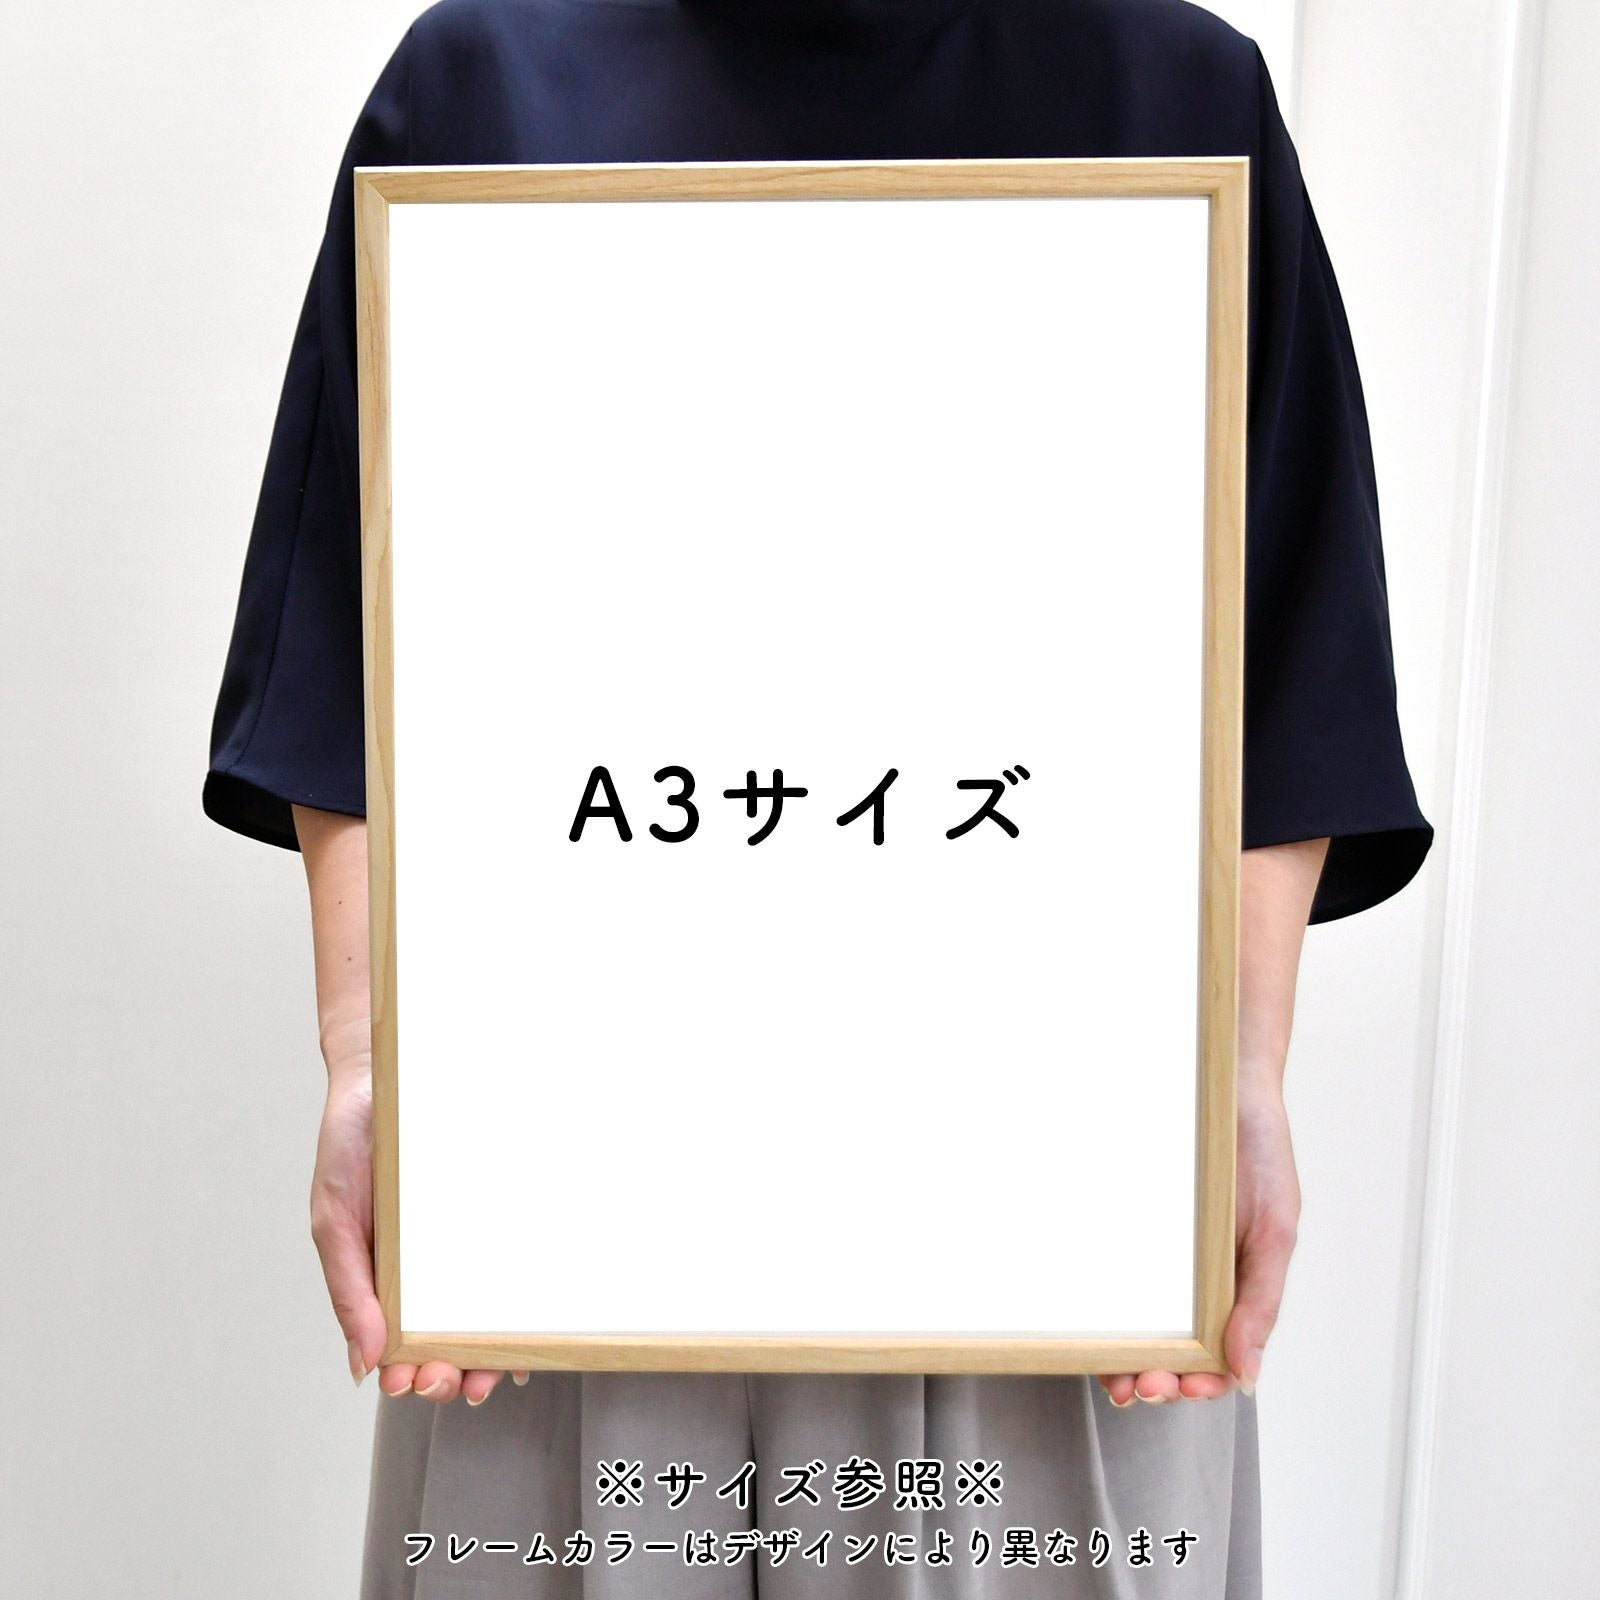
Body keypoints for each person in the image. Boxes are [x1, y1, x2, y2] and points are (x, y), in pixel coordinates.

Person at [203, 2, 1434, 1594]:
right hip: (577, 1202)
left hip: (1058, 1210)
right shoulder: (486, 78)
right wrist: (375, 1063)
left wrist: (1241, 1079)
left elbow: (1284, 654)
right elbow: (349, 645)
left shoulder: (1174, 91)